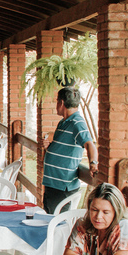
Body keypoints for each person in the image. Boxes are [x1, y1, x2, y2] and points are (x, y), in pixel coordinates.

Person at [42, 86, 98, 215]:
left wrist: (93, 163)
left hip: (62, 186)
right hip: (53, 183)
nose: (56, 105)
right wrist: (49, 146)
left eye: (57, 101)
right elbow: (64, 147)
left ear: (61, 103)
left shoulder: (77, 123)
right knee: (49, 219)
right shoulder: (64, 122)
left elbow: (90, 144)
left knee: (58, 225)